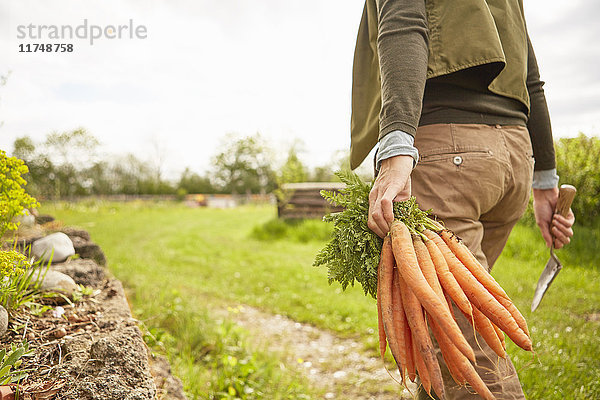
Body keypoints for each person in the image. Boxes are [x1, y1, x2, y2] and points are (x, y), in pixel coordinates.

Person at [350, 0, 575, 399]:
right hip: (513, 158)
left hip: (447, 152)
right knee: (445, 331)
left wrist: (397, 146)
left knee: (462, 354)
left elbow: (404, 21)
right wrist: (544, 181)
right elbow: (531, 76)